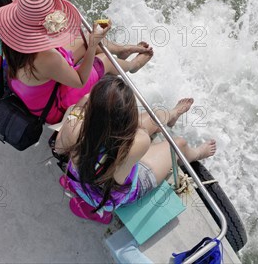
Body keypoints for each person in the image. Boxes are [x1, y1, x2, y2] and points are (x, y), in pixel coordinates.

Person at [51, 75, 217, 224]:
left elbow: (60, 146)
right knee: (178, 144)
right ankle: (197, 153)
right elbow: (139, 133)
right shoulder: (138, 143)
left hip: (79, 177)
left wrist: (83, 106)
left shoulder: (74, 124)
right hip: (111, 194)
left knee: (154, 119)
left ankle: (173, 114)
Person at [0, 0, 154, 125]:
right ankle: (133, 66)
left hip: (32, 89)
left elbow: (31, 18)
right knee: (104, 60)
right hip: (53, 106)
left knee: (82, 36)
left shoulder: (12, 34)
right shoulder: (47, 58)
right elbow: (79, 81)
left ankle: (121, 50)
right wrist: (92, 45)